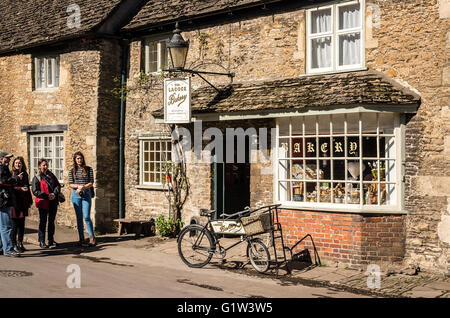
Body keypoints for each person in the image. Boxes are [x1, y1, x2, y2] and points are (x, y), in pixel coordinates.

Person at [32, 159, 61, 249]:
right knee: (43, 222)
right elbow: (35, 191)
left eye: (46, 165)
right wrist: (46, 196)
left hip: (53, 201)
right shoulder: (37, 177)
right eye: (43, 165)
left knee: (51, 222)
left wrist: (54, 194)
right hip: (43, 202)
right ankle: (41, 241)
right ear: (39, 166)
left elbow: (57, 185)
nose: (45, 167)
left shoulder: (51, 175)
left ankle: (51, 240)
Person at [69, 152, 95, 247]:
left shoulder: (89, 169)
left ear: (83, 159)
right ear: (75, 160)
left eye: (80, 158)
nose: (79, 160)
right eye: (77, 159)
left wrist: (83, 187)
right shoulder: (72, 171)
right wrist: (77, 186)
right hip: (76, 195)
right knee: (79, 217)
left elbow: (91, 182)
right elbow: (70, 184)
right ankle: (81, 238)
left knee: (87, 217)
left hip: (86, 194)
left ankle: (92, 238)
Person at [0, 151, 23, 257]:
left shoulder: (3, 168)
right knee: (6, 227)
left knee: (2, 226)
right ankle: (8, 249)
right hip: (4, 201)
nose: (8, 160)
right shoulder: (2, 168)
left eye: (9, 158)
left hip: (4, 200)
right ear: (1, 159)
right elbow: (3, 181)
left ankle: (2, 247)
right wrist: (16, 178)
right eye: (6, 158)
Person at [11, 157, 33, 253]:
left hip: (23, 202)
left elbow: (27, 187)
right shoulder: (12, 174)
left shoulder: (25, 174)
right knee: (14, 225)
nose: (18, 164)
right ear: (13, 164)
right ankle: (14, 244)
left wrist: (30, 200)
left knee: (22, 225)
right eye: (16, 163)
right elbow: (11, 188)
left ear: (22, 164)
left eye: (20, 163)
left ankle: (20, 243)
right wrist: (20, 189)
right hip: (14, 202)